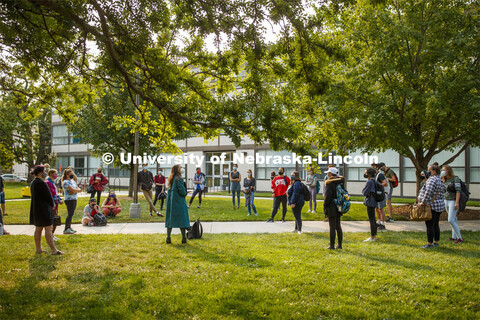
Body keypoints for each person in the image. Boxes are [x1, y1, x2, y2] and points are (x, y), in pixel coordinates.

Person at [29, 165, 63, 255]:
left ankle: (38, 249)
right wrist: (53, 205)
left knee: (38, 228)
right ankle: (54, 250)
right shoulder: (41, 183)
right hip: (44, 209)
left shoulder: (33, 183)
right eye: (44, 171)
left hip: (36, 208)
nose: (45, 173)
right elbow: (48, 196)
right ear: (40, 172)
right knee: (48, 228)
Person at [418, 165, 445, 248]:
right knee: (435, 224)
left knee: (429, 224)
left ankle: (429, 243)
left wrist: (422, 202)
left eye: (429, 170)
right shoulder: (439, 180)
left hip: (431, 206)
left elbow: (428, 192)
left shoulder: (432, 179)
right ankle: (436, 242)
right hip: (439, 205)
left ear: (434, 171)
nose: (427, 171)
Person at [165, 164, 190, 244]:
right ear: (177, 170)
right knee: (182, 220)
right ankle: (183, 238)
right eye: (180, 168)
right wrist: (185, 192)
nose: (182, 169)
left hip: (171, 202)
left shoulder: (170, 179)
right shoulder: (179, 179)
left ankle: (168, 238)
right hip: (179, 202)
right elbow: (182, 191)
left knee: (170, 220)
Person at [442, 165, 464, 244]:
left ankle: (460, 238)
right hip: (446, 200)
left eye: (444, 170)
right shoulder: (444, 179)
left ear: (448, 171)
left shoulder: (455, 179)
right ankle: (453, 237)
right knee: (453, 219)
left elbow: (458, 191)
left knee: (450, 219)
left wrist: (457, 202)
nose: (443, 171)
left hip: (453, 201)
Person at [323, 167, 344, 249]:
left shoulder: (329, 183)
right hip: (339, 205)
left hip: (331, 206)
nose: (328, 174)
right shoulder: (340, 182)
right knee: (338, 225)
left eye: (328, 173)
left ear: (331, 174)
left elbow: (328, 196)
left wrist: (325, 205)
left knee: (332, 226)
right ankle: (340, 244)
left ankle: (332, 245)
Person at [45, 169, 63, 241]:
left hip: (55, 203)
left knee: (55, 219)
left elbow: (56, 193)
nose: (56, 175)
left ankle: (52, 234)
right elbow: (49, 194)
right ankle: (50, 235)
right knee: (53, 219)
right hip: (51, 204)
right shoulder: (48, 183)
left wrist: (59, 199)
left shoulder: (53, 183)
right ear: (51, 174)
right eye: (55, 174)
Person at [62, 168, 81, 234]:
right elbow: (72, 189)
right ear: (67, 175)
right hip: (69, 199)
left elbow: (78, 189)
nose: (72, 175)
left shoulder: (72, 181)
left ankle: (69, 227)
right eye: (71, 174)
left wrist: (74, 191)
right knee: (70, 214)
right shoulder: (65, 182)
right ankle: (66, 228)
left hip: (74, 198)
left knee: (71, 214)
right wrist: (74, 190)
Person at [362, 168, 378, 242]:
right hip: (374, 201)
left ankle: (372, 236)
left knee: (371, 219)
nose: (364, 174)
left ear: (368, 174)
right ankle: (374, 235)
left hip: (370, 201)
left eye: (365, 172)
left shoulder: (369, 182)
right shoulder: (374, 180)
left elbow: (365, 192)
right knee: (373, 219)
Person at [374, 164, 389, 231]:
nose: (372, 168)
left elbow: (385, 183)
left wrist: (378, 185)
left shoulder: (380, 175)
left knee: (381, 209)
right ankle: (378, 222)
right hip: (376, 194)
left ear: (377, 168)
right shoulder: (375, 175)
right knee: (377, 209)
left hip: (380, 194)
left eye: (373, 167)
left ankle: (383, 224)